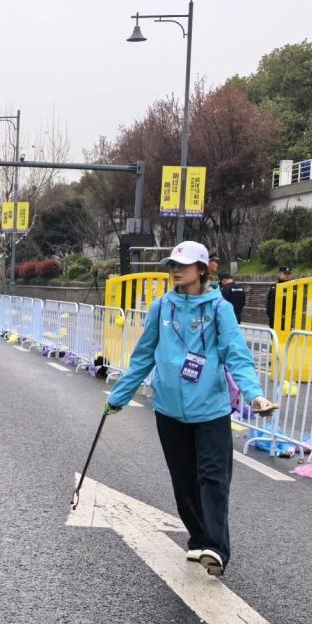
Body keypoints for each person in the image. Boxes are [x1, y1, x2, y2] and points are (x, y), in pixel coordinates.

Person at [103, 241, 274, 577]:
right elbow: (143, 356)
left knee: (212, 478)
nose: (175, 270)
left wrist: (254, 394)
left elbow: (236, 355)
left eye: (182, 265)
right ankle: (199, 538)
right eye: (172, 265)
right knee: (183, 482)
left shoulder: (220, 309)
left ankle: (216, 548)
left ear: (202, 269)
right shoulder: (161, 308)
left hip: (210, 410)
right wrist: (118, 396)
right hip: (169, 410)